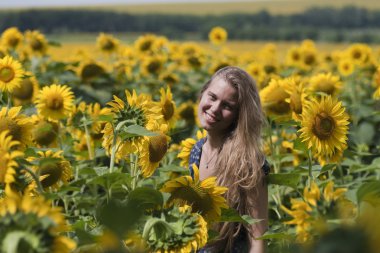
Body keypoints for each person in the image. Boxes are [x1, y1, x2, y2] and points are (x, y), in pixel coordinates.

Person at [188, 66, 270, 253]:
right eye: (212, 97)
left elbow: (258, 238)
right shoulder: (196, 151)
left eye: (227, 106)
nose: (215, 109)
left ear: (238, 116)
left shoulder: (248, 163)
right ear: (203, 94)